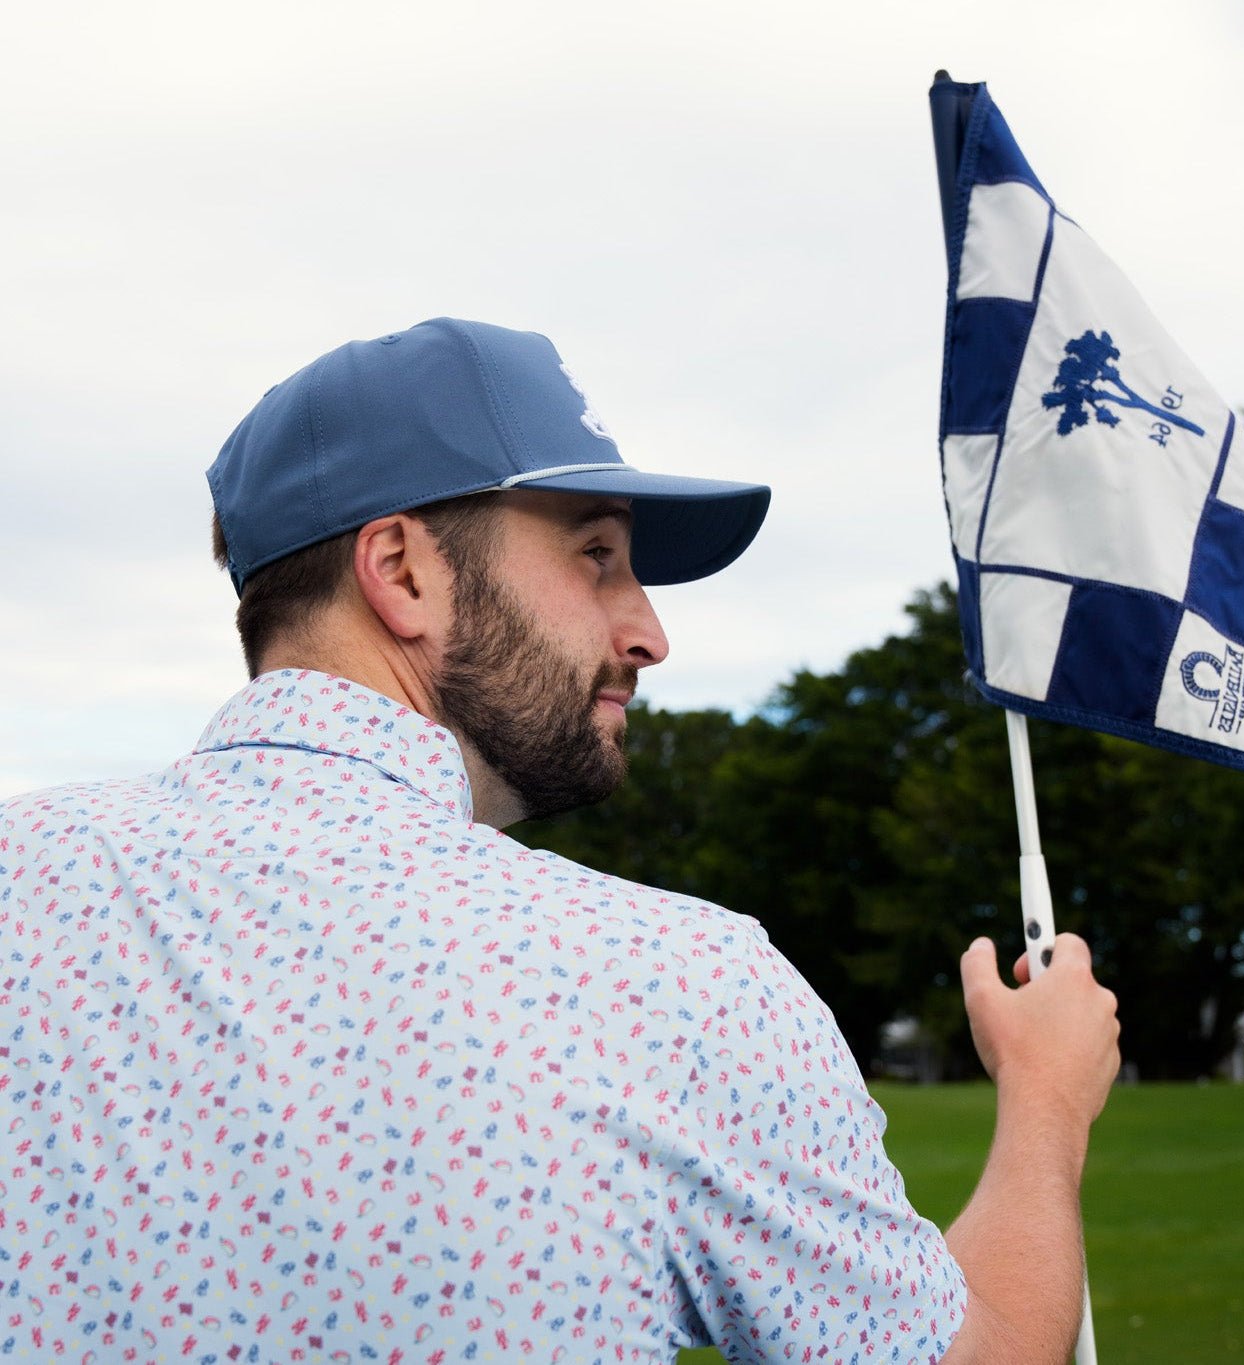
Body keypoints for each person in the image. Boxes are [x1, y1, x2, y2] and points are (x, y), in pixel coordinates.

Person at [0, 318, 1119, 1364]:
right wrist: (1047, 1099)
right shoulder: (684, 985)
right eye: (598, 556)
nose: (648, 631)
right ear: (402, 572)